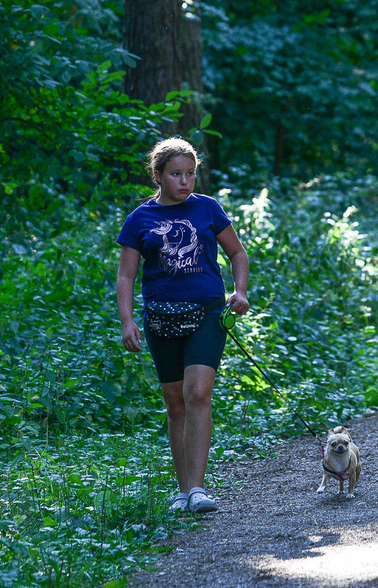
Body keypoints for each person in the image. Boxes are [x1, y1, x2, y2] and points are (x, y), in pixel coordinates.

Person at [116, 137, 250, 513]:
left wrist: (239, 291)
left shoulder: (208, 209)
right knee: (175, 403)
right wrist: (127, 322)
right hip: (160, 317)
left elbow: (237, 252)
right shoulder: (140, 219)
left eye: (190, 174)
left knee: (197, 393)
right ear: (158, 176)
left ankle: (198, 489)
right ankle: (181, 490)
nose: (185, 181)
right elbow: (126, 277)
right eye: (176, 174)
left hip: (208, 311)